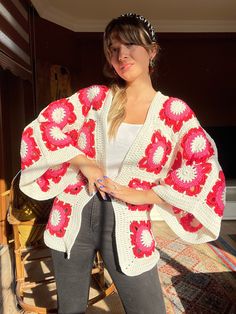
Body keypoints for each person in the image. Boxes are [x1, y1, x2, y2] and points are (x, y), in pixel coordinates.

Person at [19, 13, 225, 314]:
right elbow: (41, 128)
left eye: (130, 44)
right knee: (70, 309)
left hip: (128, 221)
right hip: (72, 213)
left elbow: (205, 168)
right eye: (113, 48)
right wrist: (84, 162)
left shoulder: (173, 111)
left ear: (152, 51)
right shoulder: (96, 99)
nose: (121, 55)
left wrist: (145, 195)